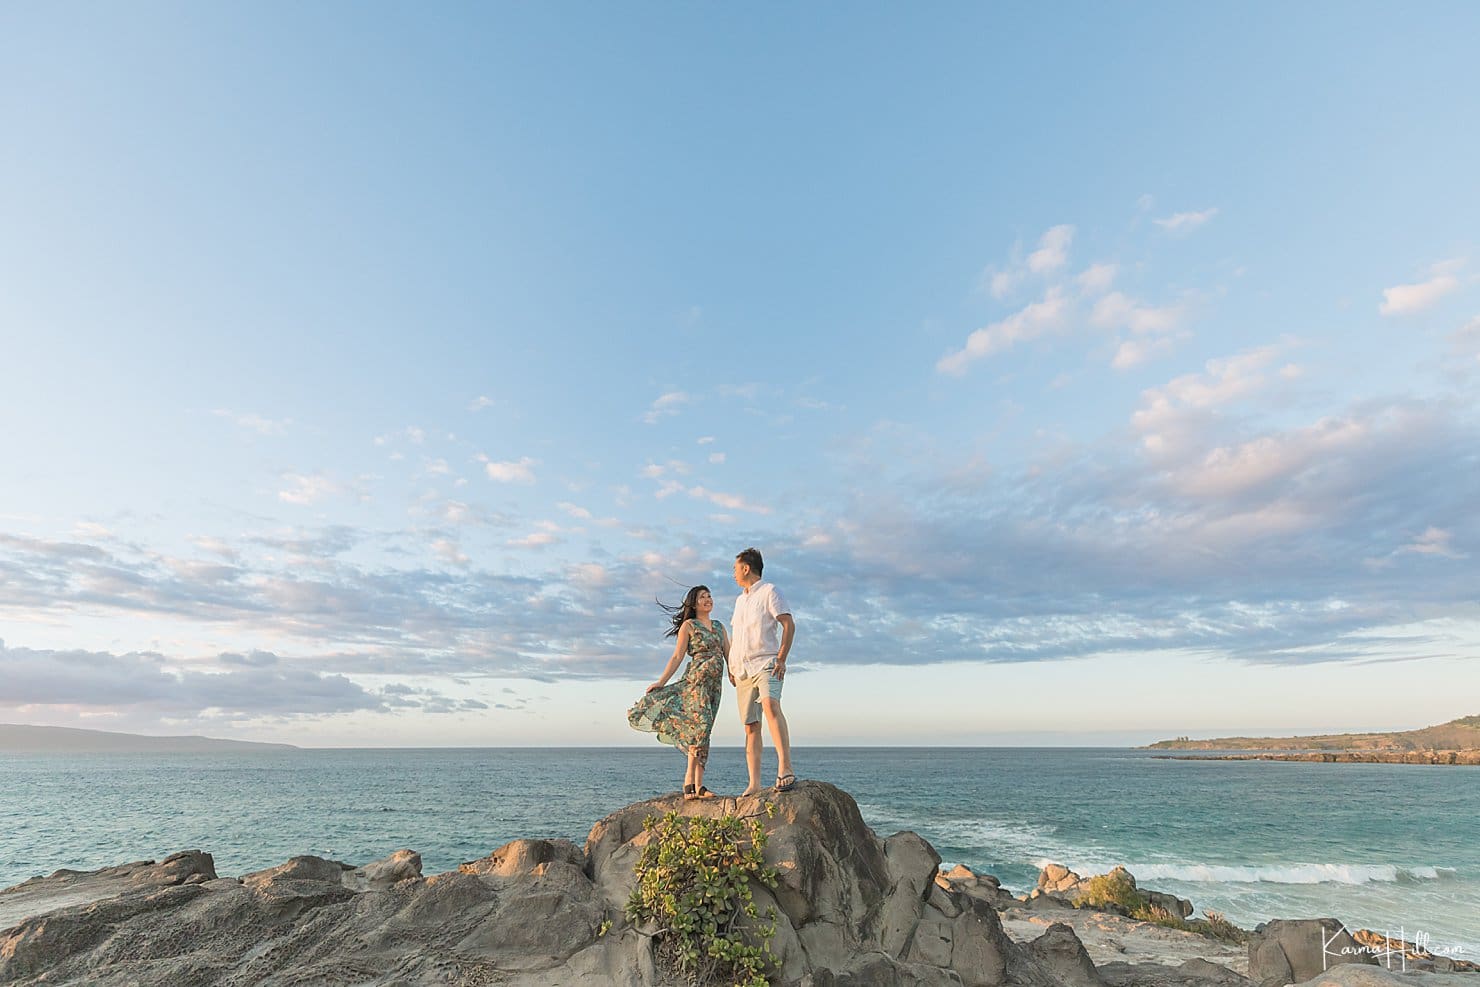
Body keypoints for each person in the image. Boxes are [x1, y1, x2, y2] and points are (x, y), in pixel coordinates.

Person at [627, 585, 729, 800]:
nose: (708, 599)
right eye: (702, 597)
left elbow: (728, 653)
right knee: (700, 728)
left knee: (705, 732)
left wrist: (733, 674)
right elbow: (677, 656)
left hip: (715, 686)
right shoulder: (689, 626)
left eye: (709, 596)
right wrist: (661, 682)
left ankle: (699, 785)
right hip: (695, 683)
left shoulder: (719, 627)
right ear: (694, 604)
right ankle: (689, 782)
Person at [727, 547, 795, 796]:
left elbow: (788, 624)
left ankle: (785, 768)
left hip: (767, 662)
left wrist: (781, 658)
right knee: (751, 725)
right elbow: (737, 636)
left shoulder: (770, 591)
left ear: (746, 568)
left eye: (735, 569)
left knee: (770, 705)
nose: (733, 574)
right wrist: (731, 666)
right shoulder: (739, 601)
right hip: (742, 669)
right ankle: (754, 783)